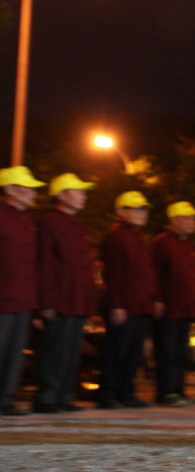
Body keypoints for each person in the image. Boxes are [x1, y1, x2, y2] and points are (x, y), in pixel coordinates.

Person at [34, 173, 97, 413]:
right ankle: (47, 397)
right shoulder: (48, 222)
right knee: (55, 349)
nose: (84, 196)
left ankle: (63, 395)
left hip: (77, 299)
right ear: (61, 195)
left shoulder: (78, 225)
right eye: (78, 192)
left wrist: (88, 301)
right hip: (60, 297)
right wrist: (46, 301)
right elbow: (45, 263)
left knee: (71, 350)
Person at [98, 191, 157, 409]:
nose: (142, 213)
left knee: (133, 354)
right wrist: (116, 305)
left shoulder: (137, 237)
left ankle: (126, 393)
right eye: (136, 209)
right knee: (117, 352)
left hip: (139, 306)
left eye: (144, 209)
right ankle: (108, 395)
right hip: (124, 306)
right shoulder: (115, 237)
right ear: (121, 212)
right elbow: (113, 274)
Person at [0, 166, 44, 416]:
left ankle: (6, 400)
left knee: (15, 353)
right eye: (27, 188)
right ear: (9, 189)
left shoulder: (27, 220)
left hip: (23, 297)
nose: (32, 193)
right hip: (3, 296)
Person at [151, 201, 195, 406]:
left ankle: (178, 390)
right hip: (169, 308)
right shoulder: (162, 243)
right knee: (167, 351)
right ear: (175, 220)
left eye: (194, 218)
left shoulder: (188, 246)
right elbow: (154, 274)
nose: (193, 222)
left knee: (181, 352)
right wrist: (157, 300)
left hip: (185, 309)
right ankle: (166, 393)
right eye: (189, 218)